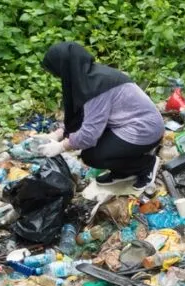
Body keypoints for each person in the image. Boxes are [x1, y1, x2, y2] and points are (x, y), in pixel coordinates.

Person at [37, 42, 164, 191]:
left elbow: (89, 135)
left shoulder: (97, 85)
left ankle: (145, 165)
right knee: (93, 149)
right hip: (126, 124)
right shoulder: (89, 77)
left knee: (93, 156)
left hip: (144, 129)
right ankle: (124, 172)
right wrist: (57, 134)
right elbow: (84, 116)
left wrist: (61, 146)